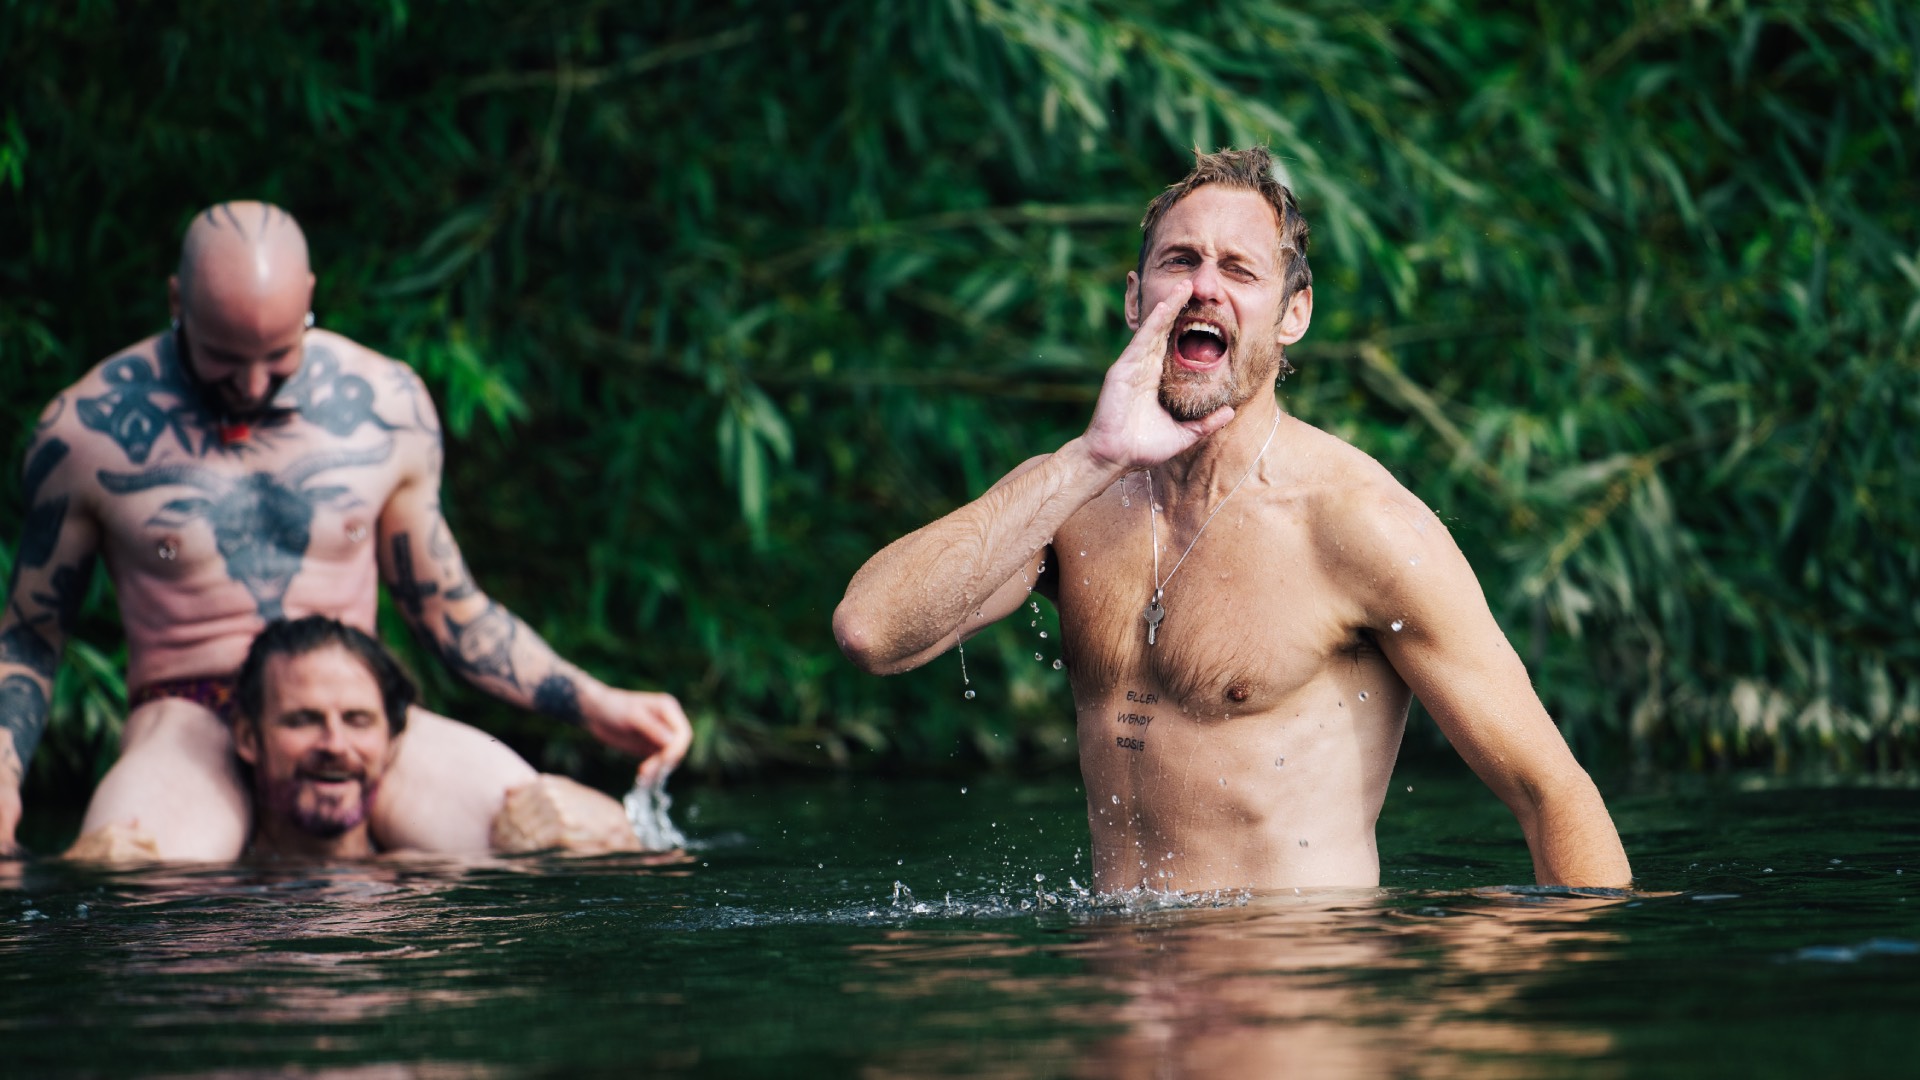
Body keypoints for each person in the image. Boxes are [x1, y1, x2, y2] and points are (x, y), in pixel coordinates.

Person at [834, 147, 1631, 892]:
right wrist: (1089, 459)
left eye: (1238, 269)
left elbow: (1549, 791)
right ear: (1134, 296)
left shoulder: (1358, 526)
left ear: (1293, 316)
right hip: (1120, 1017)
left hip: (1290, 1008)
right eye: (1178, 261)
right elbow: (872, 632)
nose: (1202, 287)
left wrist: (1546, 1018)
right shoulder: (1072, 499)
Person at [1, 201, 691, 859]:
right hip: (191, 717)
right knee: (128, 876)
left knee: (556, 838)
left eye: (277, 355)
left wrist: (594, 703)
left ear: (308, 298)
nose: (250, 383)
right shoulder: (84, 433)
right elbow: (31, 633)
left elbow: (448, 608)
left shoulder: (386, 407)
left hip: (357, 715)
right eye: (223, 357)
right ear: (177, 303)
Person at [63, 616, 640, 861]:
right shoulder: (205, 880)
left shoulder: (432, 875)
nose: (335, 744)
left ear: (393, 741)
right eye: (302, 720)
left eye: (358, 721)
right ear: (246, 737)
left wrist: (609, 825)